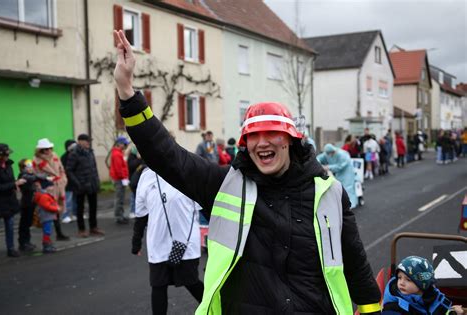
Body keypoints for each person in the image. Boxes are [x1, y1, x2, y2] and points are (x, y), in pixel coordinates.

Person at [114, 29, 381, 314]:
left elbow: (354, 261)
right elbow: (166, 156)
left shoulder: (329, 192)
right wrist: (128, 92)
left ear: (290, 139)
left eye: (272, 133)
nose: (262, 142)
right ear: (245, 143)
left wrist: (372, 309)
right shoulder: (224, 186)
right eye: (254, 135)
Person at [132, 167, 204, 314]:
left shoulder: (187, 170)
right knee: (158, 285)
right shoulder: (146, 176)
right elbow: (141, 213)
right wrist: (136, 240)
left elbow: (205, 208)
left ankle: (220, 309)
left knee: (191, 281)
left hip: (185, 240)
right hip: (158, 242)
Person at [382, 256, 464, 315]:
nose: (401, 282)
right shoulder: (392, 308)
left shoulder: (433, 297)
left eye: (408, 280)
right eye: (399, 278)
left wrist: (452, 313)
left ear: (422, 284)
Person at [66, 134, 104, 237]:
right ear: (80, 141)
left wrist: (97, 182)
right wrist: (77, 183)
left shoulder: (90, 152)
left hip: (92, 184)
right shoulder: (74, 154)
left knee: (93, 207)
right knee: (80, 209)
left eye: (89, 141)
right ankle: (81, 229)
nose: (88, 142)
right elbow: (69, 170)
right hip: (81, 186)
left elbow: (94, 169)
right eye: (86, 141)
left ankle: (93, 227)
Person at [33, 138, 69, 241]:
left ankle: (59, 233)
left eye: (50, 148)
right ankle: (48, 237)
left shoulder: (55, 155)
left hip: (59, 185)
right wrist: (47, 181)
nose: (49, 150)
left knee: (58, 210)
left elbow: (61, 168)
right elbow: (36, 174)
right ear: (41, 150)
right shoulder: (37, 159)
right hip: (48, 187)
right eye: (46, 149)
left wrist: (63, 179)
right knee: (50, 211)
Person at [0, 143, 25, 257]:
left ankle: (11, 249)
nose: (7, 157)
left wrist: (15, 185)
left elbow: (10, 180)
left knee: (10, 225)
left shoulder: (8, 165)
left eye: (8, 155)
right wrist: (14, 184)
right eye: (5, 155)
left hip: (9, 201)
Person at [17, 159, 50, 252]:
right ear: (23, 168)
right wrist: (42, 176)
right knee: (24, 224)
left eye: (31, 166)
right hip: (26, 203)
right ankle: (23, 243)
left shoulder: (31, 175)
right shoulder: (23, 176)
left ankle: (27, 241)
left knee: (27, 223)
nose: (31, 168)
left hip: (31, 202)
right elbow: (34, 178)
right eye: (28, 166)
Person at [317, 144, 358, 209]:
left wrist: (328, 167)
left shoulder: (342, 154)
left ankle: (351, 204)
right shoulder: (328, 153)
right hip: (339, 174)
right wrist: (317, 163)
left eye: (330, 153)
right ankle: (342, 205)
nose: (329, 155)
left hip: (347, 173)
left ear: (333, 151)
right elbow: (319, 158)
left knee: (348, 188)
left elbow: (340, 166)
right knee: (340, 188)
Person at [34, 180, 61, 253]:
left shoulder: (46, 195)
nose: (52, 188)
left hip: (48, 216)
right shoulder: (44, 196)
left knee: (47, 231)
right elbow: (47, 206)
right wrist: (56, 208)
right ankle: (46, 245)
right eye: (51, 186)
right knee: (47, 231)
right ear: (47, 187)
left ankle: (48, 244)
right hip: (46, 216)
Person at [110, 136, 131, 224]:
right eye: (124, 144)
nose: (125, 146)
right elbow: (119, 169)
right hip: (119, 179)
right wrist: (124, 178)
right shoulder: (117, 154)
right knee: (119, 198)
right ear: (119, 144)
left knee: (121, 198)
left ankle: (121, 215)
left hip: (120, 179)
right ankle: (118, 216)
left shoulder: (118, 153)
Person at [61, 139, 78, 223]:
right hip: (67, 182)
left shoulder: (76, 155)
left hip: (75, 181)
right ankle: (65, 216)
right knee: (67, 199)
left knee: (76, 199)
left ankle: (75, 214)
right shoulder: (64, 157)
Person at [127, 143, 142, 219]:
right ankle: (133, 211)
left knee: (139, 197)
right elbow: (131, 165)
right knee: (133, 196)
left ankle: (138, 212)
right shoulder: (132, 156)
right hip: (133, 179)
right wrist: (138, 159)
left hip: (139, 179)